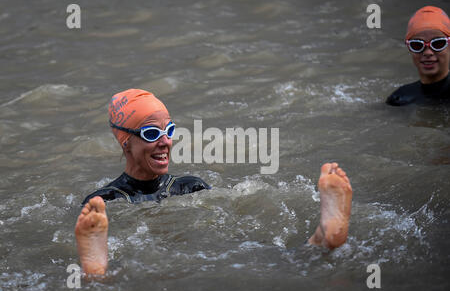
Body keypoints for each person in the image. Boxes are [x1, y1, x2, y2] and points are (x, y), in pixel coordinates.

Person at [75, 89, 353, 276]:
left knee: (249, 250)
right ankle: (97, 268)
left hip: (201, 254)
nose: (165, 141)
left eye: (169, 130)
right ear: (126, 141)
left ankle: (321, 237)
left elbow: (234, 229)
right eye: (151, 133)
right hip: (168, 258)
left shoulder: (190, 186)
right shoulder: (104, 202)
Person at [386, 6, 450, 106]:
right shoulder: (400, 98)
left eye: (437, 43)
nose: (428, 52)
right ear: (409, 49)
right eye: (417, 45)